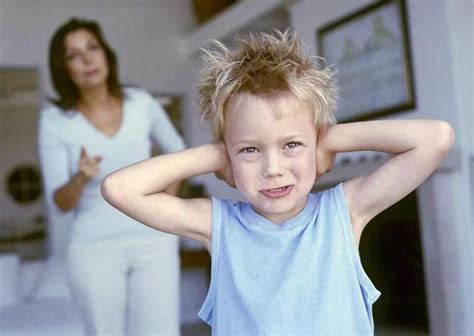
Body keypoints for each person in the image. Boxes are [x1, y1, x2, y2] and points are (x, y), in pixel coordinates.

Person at [101, 30, 454, 335]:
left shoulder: (343, 212)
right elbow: (118, 188)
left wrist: (328, 140)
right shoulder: (218, 225)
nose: (273, 168)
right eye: (251, 150)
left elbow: (436, 138)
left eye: (291, 145)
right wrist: (215, 155)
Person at [38, 18, 185, 336]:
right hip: (94, 249)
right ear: (63, 69)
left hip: (154, 240)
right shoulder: (55, 120)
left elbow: (178, 153)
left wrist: (163, 206)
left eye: (93, 47)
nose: (88, 59)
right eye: (73, 55)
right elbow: (59, 203)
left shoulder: (141, 103)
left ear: (106, 54)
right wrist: (80, 177)